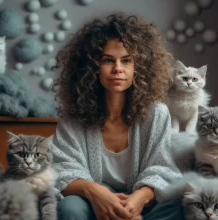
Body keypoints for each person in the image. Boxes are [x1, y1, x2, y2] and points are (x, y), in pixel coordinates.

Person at [51, 13, 184, 220]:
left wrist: (139, 198)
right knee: (70, 208)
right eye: (107, 60)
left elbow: (163, 167)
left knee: (183, 205)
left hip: (144, 208)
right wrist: (95, 192)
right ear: (92, 67)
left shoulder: (156, 113)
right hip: (93, 206)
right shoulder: (74, 117)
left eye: (127, 61)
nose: (117, 69)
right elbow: (61, 168)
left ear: (138, 67)